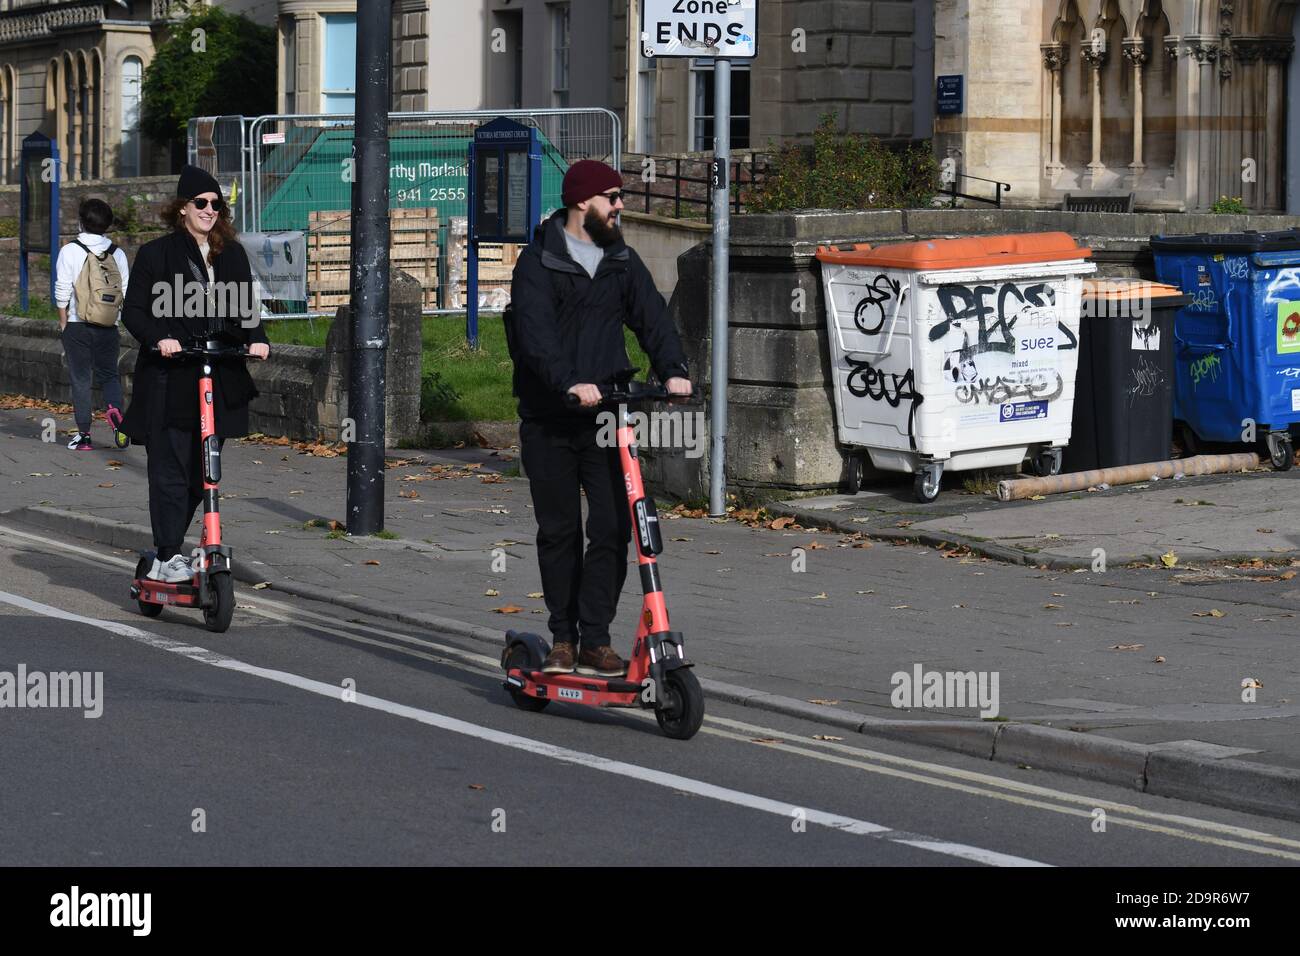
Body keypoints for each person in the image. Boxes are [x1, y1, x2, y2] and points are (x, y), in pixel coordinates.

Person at [507, 160, 692, 677]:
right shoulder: (538, 263)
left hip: (609, 415)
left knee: (614, 525)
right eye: (613, 196)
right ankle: (562, 637)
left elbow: (652, 318)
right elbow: (534, 335)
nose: (620, 205)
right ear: (581, 202)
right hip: (550, 416)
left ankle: (595, 639)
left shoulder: (620, 259)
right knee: (560, 529)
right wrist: (567, 380)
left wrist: (673, 369)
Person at [118, 166, 269, 583]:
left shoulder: (231, 253)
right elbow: (133, 311)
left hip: (217, 374)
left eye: (215, 204)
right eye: (201, 203)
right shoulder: (157, 254)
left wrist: (256, 338)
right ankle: (167, 555)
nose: (208, 210)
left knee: (203, 470)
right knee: (168, 467)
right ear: (182, 208)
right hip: (172, 376)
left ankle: (176, 546)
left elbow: (245, 306)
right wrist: (159, 338)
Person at [55, 198, 130, 450]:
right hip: (108, 326)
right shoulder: (117, 253)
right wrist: (115, 321)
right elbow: (124, 291)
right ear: (107, 225)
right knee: (110, 375)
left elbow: (62, 289)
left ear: (81, 222)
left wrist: (64, 321)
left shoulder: (70, 250)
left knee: (80, 379)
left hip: (78, 324)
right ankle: (116, 414)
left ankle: (84, 436)